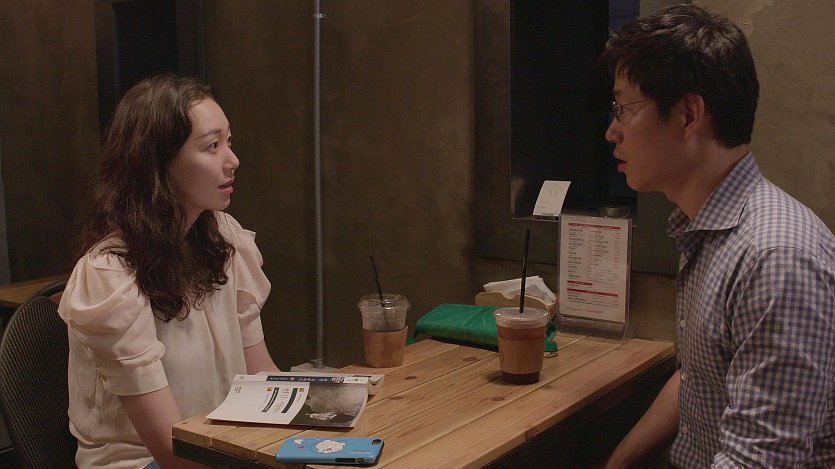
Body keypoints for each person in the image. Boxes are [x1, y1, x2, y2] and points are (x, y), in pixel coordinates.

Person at [599, 4, 834, 468]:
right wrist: (616, 462)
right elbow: (700, 378)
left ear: (689, 115)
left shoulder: (776, 257)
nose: (612, 132)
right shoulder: (709, 228)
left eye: (624, 108)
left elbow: (758, 461)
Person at [58, 74, 280, 469]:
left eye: (228, 142)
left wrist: (331, 408)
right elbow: (171, 449)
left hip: (219, 446)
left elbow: (261, 377)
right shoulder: (109, 274)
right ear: (159, 163)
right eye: (212, 146)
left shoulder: (224, 238)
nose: (232, 160)